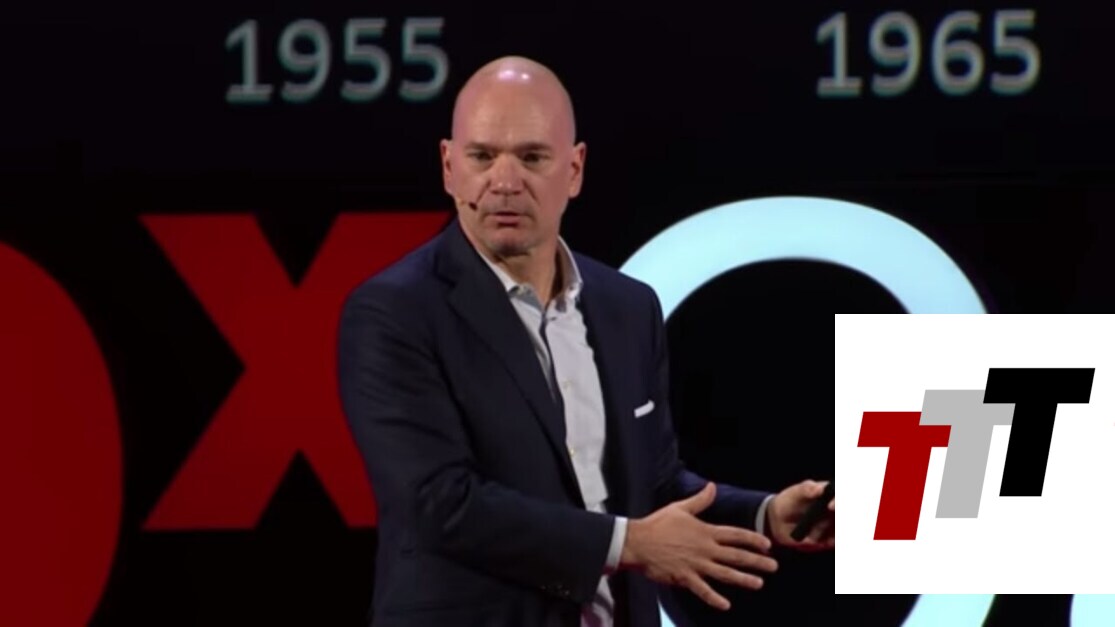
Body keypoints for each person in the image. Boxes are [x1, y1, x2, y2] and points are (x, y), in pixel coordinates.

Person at [337, 55, 834, 627]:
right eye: (482, 157)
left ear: (574, 170)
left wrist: (766, 514)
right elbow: (441, 503)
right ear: (449, 167)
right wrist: (630, 544)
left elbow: (653, 483)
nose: (504, 182)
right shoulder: (394, 312)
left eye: (532, 157)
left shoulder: (627, 307)